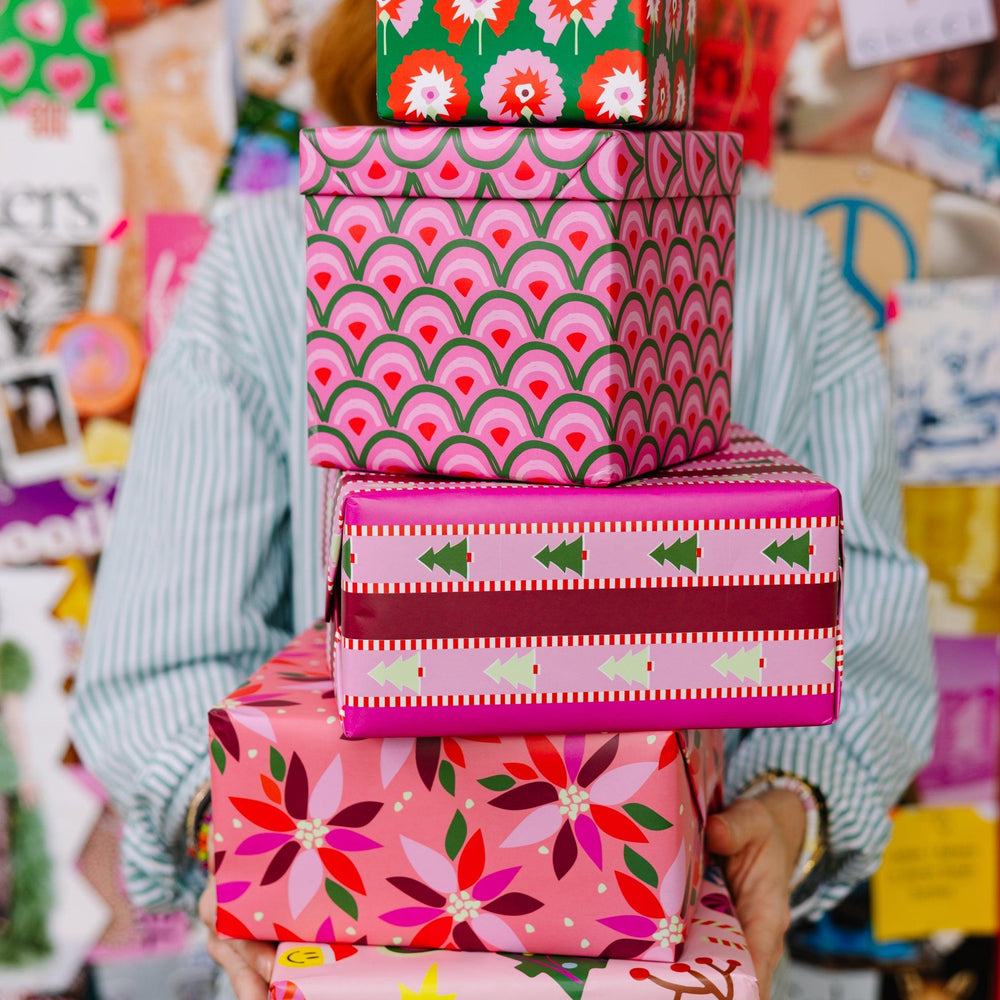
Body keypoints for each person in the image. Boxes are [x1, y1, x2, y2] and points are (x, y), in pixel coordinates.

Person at [70, 1, 936, 997]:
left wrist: (783, 812)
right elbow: (159, 672)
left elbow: (858, 626)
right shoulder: (269, 262)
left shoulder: (776, 265)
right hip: (348, 949)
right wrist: (263, 844)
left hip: (658, 935)